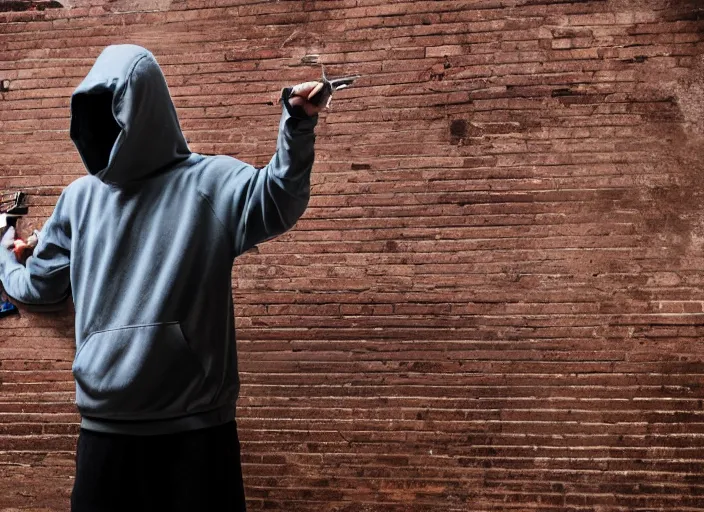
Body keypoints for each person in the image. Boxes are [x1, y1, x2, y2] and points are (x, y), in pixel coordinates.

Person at [0, 44, 326, 511]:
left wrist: (296, 122)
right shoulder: (80, 199)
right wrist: (10, 260)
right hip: (107, 434)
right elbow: (42, 286)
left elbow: (278, 200)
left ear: (143, 109)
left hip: (195, 435)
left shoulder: (211, 183)